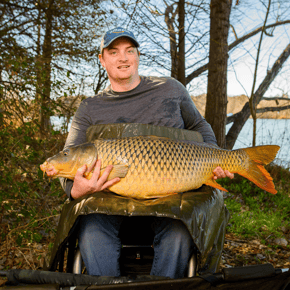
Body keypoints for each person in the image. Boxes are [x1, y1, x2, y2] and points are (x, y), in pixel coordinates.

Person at [46, 27, 234, 279]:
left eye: (129, 51)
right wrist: (75, 190)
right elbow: (68, 158)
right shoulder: (89, 109)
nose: (123, 58)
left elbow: (199, 126)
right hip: (109, 201)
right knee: (91, 232)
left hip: (172, 197)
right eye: (114, 52)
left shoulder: (170, 89)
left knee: (179, 234)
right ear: (102, 60)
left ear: (137, 55)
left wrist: (214, 157)